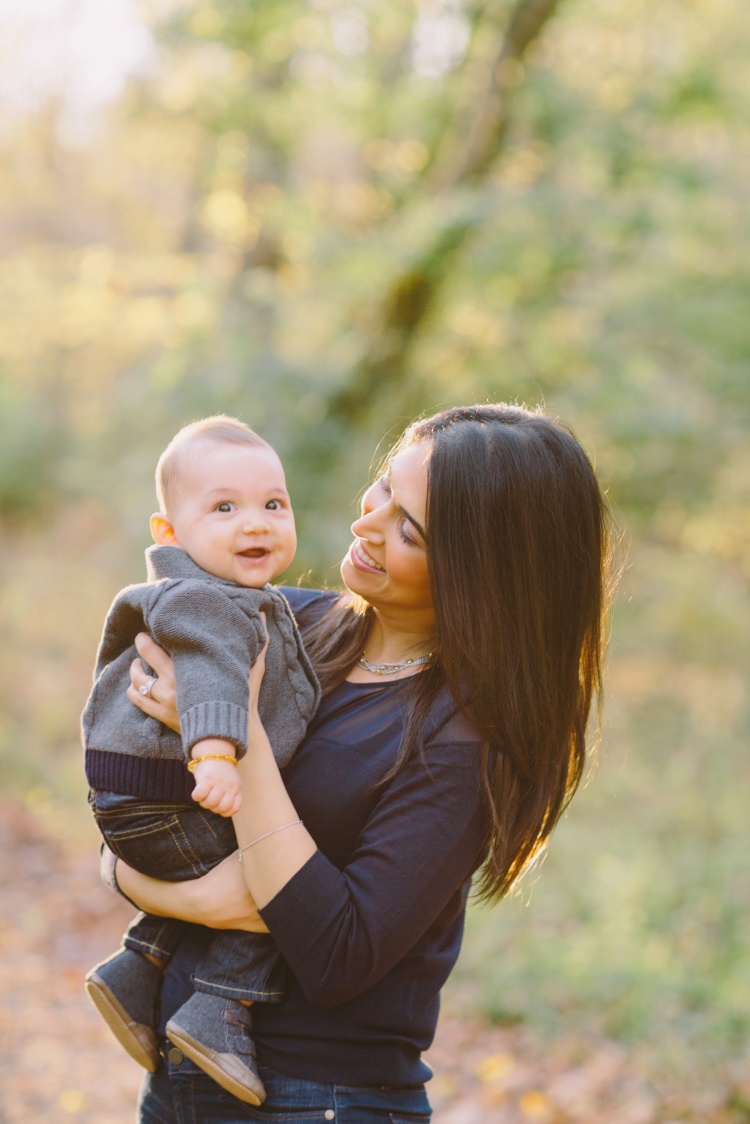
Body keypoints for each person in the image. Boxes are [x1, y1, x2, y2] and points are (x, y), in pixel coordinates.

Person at [111, 403, 614, 1124]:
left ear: (483, 572)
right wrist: (174, 891)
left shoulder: (465, 737)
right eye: (381, 488)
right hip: (181, 1077)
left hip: (320, 1099)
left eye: (406, 528)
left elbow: (338, 954)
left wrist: (236, 730)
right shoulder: (285, 625)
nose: (364, 524)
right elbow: (129, 803)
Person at [82, 416, 320, 1106]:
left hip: (138, 799)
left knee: (240, 861)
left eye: (273, 504)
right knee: (285, 874)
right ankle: (219, 1009)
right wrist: (214, 755)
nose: (256, 523)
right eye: (225, 507)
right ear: (169, 535)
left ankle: (136, 968)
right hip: (171, 791)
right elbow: (215, 676)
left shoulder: (233, 596)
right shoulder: (208, 602)